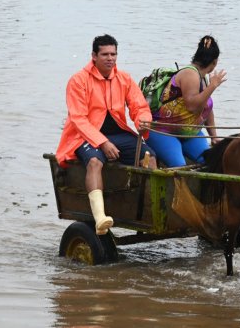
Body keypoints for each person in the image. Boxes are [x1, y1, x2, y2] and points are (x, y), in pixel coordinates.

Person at [55, 35, 158, 235]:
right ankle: (100, 218)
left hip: (118, 133)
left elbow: (139, 106)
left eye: (113, 54)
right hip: (83, 136)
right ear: (94, 56)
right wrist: (102, 143)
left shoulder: (124, 78)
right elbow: (78, 119)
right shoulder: (78, 80)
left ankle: (148, 211)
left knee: (150, 157)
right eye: (105, 54)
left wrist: (143, 120)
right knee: (94, 162)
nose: (110, 58)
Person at [146, 36, 226, 167]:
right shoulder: (190, 74)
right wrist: (213, 86)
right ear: (214, 62)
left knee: (211, 161)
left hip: (190, 133)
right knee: (180, 166)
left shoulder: (203, 78)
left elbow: (207, 109)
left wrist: (214, 137)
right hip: (163, 131)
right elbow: (192, 106)